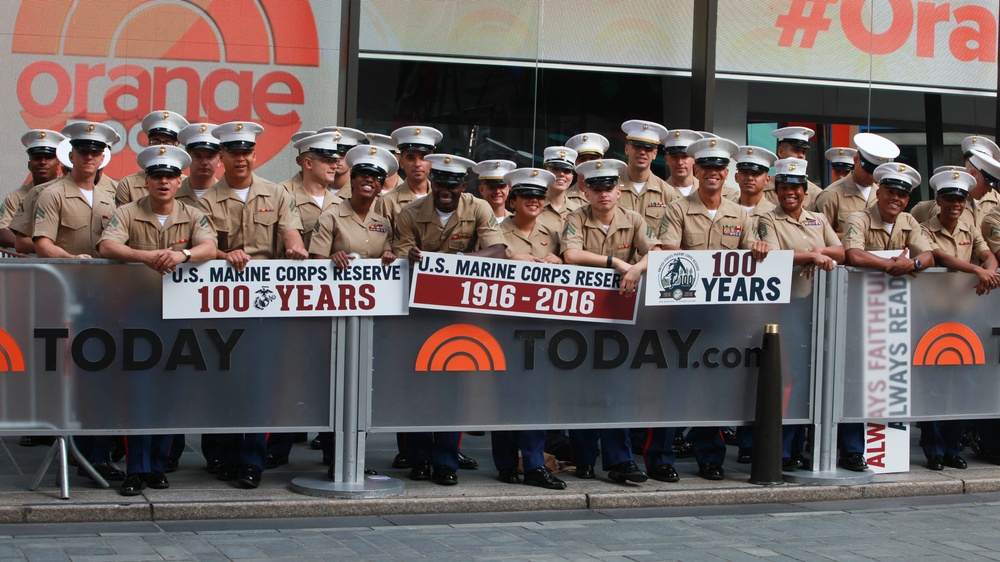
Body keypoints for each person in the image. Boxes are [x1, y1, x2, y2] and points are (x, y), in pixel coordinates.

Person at [98, 145, 217, 495]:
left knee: (170, 392)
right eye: (156, 176)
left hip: (179, 316)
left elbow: (210, 246)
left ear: (180, 179)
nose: (163, 182)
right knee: (137, 392)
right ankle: (136, 467)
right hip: (136, 313)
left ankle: (158, 467)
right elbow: (107, 246)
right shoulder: (128, 212)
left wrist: (184, 253)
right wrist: (145, 256)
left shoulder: (192, 213)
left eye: (169, 176)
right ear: (146, 180)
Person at [198, 120, 307, 489]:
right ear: (221, 158)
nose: (240, 159)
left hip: (265, 303)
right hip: (222, 302)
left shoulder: (276, 194)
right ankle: (224, 456)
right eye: (233, 153)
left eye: (246, 152)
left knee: (260, 384)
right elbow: (205, 244)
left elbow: (290, 230)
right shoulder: (207, 200)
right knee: (224, 380)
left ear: (254, 155)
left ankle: (251, 462)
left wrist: (295, 246)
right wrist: (225, 253)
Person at [393, 153, 505, 486]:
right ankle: (418, 458)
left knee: (454, 386)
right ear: (432, 182)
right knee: (417, 387)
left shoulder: (478, 208)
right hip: (418, 313)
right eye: (440, 183)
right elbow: (400, 252)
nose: (445, 190)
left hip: (459, 312)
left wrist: (457, 263)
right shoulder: (410, 212)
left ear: (463, 185)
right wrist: (410, 257)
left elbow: (497, 250)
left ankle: (445, 460)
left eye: (452, 185)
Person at [657, 137, 761, 481]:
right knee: (673, 385)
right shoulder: (677, 209)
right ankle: (660, 458)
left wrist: (761, 246)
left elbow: (753, 253)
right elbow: (670, 252)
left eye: (720, 168)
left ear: (726, 173)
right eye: (708, 167)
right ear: (697, 170)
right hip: (681, 313)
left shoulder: (740, 215)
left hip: (722, 316)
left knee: (712, 387)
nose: (713, 173)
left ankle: (710, 458)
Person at [842, 162, 937, 472]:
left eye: (901, 194)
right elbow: (853, 255)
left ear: (907, 200)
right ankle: (852, 450)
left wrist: (914, 265)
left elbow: (928, 254)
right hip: (856, 311)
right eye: (890, 192)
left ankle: (886, 450)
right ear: (878, 191)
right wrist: (890, 265)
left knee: (887, 379)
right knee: (854, 380)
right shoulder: (859, 217)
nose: (895, 198)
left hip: (892, 317)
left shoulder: (909, 221)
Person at [562, 158, 651, 485]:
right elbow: (571, 255)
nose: (603, 194)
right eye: (596, 188)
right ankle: (583, 459)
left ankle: (620, 460)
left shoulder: (635, 218)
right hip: (583, 314)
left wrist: (636, 268)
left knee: (616, 387)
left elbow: (656, 250)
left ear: (619, 191)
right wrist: (616, 262)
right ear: (586, 192)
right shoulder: (575, 217)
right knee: (584, 387)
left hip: (619, 314)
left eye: (609, 188)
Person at [757, 158, 844, 470]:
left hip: (820, 309)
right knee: (789, 381)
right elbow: (775, 257)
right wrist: (811, 255)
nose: (789, 193)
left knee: (815, 380)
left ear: (805, 191)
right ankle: (780, 451)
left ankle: (800, 448)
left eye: (795, 188)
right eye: (783, 188)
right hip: (788, 310)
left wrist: (815, 255)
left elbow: (841, 251)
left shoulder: (818, 220)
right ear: (776, 191)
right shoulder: (767, 219)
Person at [489, 167, 567, 490]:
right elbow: (483, 267)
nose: (533, 202)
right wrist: (510, 262)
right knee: (505, 395)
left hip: (542, 327)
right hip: (506, 324)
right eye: (526, 196)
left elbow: (571, 263)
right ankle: (506, 464)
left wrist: (560, 263)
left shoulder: (554, 228)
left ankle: (534, 464)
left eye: (539, 197)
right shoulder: (496, 230)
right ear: (514, 199)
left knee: (536, 397)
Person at [918, 169, 999, 471]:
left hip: (965, 316)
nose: (955, 203)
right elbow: (938, 257)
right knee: (932, 386)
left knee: (961, 385)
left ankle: (953, 449)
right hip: (931, 316)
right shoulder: (924, 228)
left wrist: (989, 270)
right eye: (950, 197)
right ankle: (934, 451)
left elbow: (988, 255)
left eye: (961, 198)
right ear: (938, 200)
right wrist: (976, 271)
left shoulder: (970, 227)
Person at [32, 122, 120, 258]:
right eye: (83, 151)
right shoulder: (52, 195)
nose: (89, 157)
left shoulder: (108, 200)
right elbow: (43, 246)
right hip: (63, 276)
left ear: (102, 159)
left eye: (95, 152)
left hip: (101, 276)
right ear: (71, 156)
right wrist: (72, 259)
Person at [814, 133, 900, 236]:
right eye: (867, 170)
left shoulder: (883, 195)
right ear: (856, 160)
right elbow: (818, 235)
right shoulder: (831, 195)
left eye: (876, 172)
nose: (871, 176)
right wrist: (854, 236)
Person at [911, 136, 1000, 225]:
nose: (990, 190)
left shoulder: (980, 205)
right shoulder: (943, 208)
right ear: (972, 174)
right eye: (987, 183)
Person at [1, 130, 66, 249]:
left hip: (66, 261)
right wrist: (42, 247)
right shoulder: (15, 198)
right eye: (37, 158)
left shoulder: (69, 191)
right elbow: (2, 233)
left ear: (58, 163)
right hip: (28, 261)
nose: (42, 162)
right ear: (29, 165)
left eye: (48, 157)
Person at [116, 110, 189, 205]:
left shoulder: (186, 185)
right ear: (148, 144)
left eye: (168, 142)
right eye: (155, 141)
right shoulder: (128, 184)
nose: (161, 147)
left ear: (177, 145)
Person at [617, 120, 679, 231]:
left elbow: (669, 234)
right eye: (637, 146)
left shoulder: (667, 192)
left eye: (648, 148)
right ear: (627, 149)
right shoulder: (610, 188)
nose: (642, 152)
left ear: (655, 153)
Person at [761, 127, 823, 208]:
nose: (801, 155)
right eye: (796, 150)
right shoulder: (762, 187)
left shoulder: (815, 193)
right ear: (780, 151)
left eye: (803, 152)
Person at [537, 146, 582, 231]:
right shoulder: (533, 208)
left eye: (566, 171)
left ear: (572, 177)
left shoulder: (580, 211)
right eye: (555, 169)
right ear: (545, 173)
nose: (561, 174)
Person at [317, 126, 366, 196]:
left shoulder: (361, 194)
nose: (337, 159)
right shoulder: (315, 190)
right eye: (332, 154)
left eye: (342, 154)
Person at [563, 132, 609, 206]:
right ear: (574, 164)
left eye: (593, 159)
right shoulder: (564, 198)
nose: (588, 163)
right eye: (582, 159)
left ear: (601, 161)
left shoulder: (614, 196)